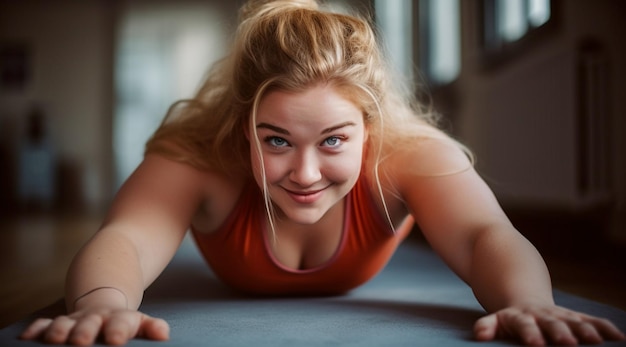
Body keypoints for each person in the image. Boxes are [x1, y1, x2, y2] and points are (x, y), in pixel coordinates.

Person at [20, 0, 625, 345]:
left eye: (334, 139)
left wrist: (530, 303)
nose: (305, 172)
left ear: (370, 123)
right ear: (241, 122)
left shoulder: (410, 153)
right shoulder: (197, 153)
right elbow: (125, 236)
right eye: (275, 140)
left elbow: (481, 235)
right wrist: (103, 303)